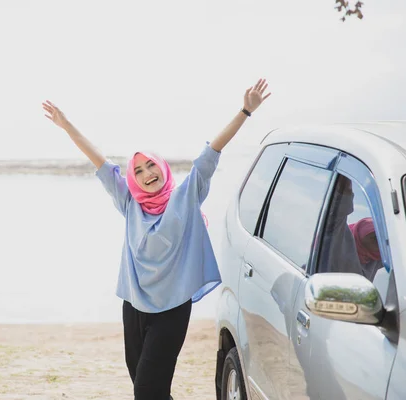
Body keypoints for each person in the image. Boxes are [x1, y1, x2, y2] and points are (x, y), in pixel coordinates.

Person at [42, 78, 271, 399]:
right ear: (132, 179)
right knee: (145, 385)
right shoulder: (129, 203)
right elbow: (100, 161)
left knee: (148, 389)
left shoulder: (187, 197)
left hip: (171, 310)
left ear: (163, 168)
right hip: (133, 306)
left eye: (151, 166)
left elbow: (212, 152)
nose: (147, 174)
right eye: (138, 171)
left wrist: (245, 110)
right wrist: (67, 126)